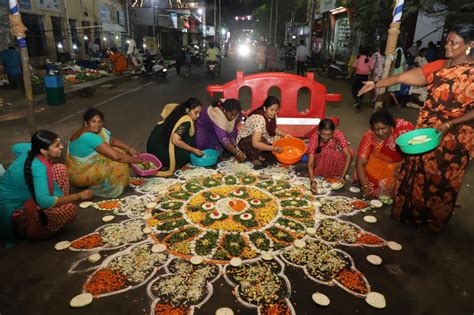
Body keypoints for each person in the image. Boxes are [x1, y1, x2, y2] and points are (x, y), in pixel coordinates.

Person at [358, 24, 473, 233]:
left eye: (453, 43)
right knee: (417, 172)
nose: (446, 46)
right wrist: (375, 84)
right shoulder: (441, 65)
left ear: (469, 45)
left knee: (441, 180)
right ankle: (408, 216)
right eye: (447, 41)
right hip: (426, 133)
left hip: (454, 138)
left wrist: (450, 124)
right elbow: (404, 77)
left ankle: (430, 224)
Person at [0, 130, 93, 241]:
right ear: (43, 150)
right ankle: (37, 230)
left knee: (60, 168)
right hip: (13, 210)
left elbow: (16, 147)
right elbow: (44, 201)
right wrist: (78, 196)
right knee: (69, 210)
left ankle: (56, 206)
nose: (62, 147)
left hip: (20, 195)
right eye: (57, 145)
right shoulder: (39, 167)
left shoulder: (34, 151)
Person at [67, 109, 142, 198]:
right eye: (93, 121)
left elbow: (112, 140)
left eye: (99, 121)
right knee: (119, 163)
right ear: (86, 123)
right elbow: (117, 157)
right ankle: (106, 190)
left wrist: (129, 149)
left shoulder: (88, 131)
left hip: (79, 169)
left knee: (120, 151)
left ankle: (99, 182)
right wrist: (138, 161)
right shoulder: (89, 137)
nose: (97, 125)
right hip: (79, 176)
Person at [354, 110, 414, 199]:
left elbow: (414, 151)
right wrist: (365, 186)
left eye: (383, 129)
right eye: (376, 129)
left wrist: (402, 165)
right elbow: (360, 163)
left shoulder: (403, 131)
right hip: (376, 167)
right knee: (373, 192)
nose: (380, 133)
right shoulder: (370, 136)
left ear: (391, 126)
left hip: (399, 167)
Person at [147, 98, 204, 176]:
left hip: (152, 147)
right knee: (188, 152)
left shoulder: (178, 110)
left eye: (199, 113)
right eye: (196, 113)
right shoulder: (186, 121)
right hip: (160, 153)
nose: (198, 116)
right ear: (187, 110)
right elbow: (175, 140)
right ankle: (169, 164)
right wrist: (193, 150)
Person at [236, 96, 286, 166]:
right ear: (265, 108)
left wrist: (283, 134)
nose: (274, 113)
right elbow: (255, 143)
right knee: (263, 142)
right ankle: (252, 157)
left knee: (278, 139)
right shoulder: (259, 119)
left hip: (257, 135)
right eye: (272, 110)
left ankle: (257, 153)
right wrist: (274, 149)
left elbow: (273, 128)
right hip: (243, 141)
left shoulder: (271, 115)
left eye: (276, 110)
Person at [307, 119, 353, 194]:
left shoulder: (338, 134)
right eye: (323, 134)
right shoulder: (314, 138)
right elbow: (310, 163)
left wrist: (343, 176)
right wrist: (312, 181)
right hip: (319, 158)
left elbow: (348, 155)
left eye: (329, 134)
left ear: (333, 132)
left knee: (347, 151)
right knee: (327, 151)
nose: (326, 137)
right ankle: (324, 173)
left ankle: (337, 174)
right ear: (318, 132)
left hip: (336, 158)